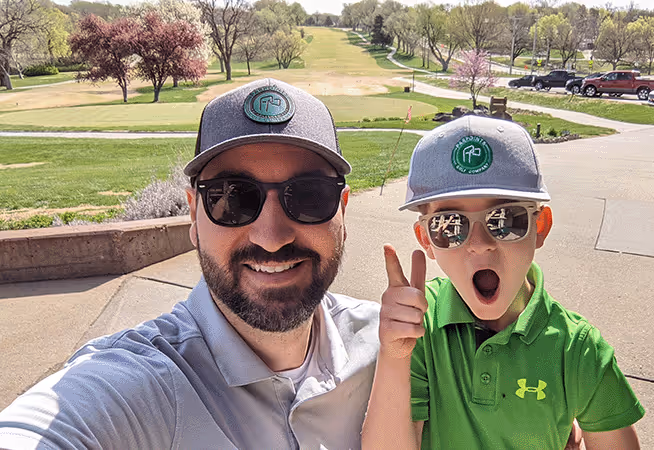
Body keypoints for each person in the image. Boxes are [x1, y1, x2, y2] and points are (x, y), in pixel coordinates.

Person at [0, 79, 380, 449]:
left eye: (310, 196)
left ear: (343, 212)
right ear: (194, 216)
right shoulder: (142, 383)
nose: (271, 236)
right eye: (231, 199)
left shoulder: (390, 345)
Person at [362, 116, 645, 449]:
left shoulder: (578, 349)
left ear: (540, 227)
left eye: (506, 220)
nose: (479, 243)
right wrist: (395, 355)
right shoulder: (420, 327)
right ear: (426, 239)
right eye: (449, 225)